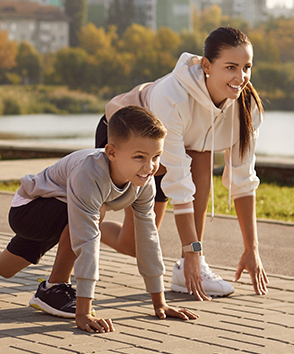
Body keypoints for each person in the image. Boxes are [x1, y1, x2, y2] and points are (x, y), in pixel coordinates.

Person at [0, 106, 199, 333]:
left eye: (156, 157)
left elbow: (148, 238)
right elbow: (86, 241)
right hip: (29, 211)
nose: (149, 167)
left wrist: (160, 303)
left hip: (59, 215)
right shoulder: (89, 172)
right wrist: (83, 312)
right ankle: (53, 289)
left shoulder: (144, 182)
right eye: (139, 157)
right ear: (111, 152)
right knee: (93, 214)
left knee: (3, 266)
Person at [98, 26, 270, 302]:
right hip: (127, 140)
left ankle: (191, 267)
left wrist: (252, 249)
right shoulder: (172, 95)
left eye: (246, 67)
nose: (241, 77)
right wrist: (192, 249)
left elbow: (243, 180)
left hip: (176, 153)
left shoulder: (246, 107)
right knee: (132, 244)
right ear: (206, 66)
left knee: (202, 157)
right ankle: (74, 223)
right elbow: (178, 180)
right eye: (230, 67)